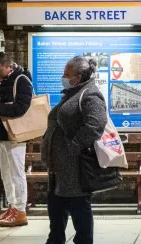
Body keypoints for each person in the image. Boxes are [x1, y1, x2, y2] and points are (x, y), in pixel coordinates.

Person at [42, 56, 107, 244]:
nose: (63, 76)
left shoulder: (90, 94)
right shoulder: (72, 93)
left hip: (75, 168)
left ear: (77, 77)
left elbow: (95, 125)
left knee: (80, 210)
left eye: (66, 74)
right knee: (56, 210)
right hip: (59, 167)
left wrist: (73, 147)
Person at [0, 52, 33, 227]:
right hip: (2, 134)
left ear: (8, 65)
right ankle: (12, 206)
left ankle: (21, 210)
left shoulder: (21, 79)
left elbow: (21, 108)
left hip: (16, 135)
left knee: (17, 172)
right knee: (6, 173)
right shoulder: (4, 80)